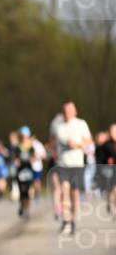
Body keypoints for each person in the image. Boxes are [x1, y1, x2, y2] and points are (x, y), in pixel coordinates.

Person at [50, 100, 92, 235]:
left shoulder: (81, 124)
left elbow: (89, 140)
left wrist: (79, 144)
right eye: (65, 111)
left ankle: (73, 219)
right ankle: (66, 220)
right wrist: (55, 152)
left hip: (77, 164)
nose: (67, 113)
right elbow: (57, 140)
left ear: (75, 111)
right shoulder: (59, 127)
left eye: (70, 111)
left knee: (75, 193)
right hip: (63, 164)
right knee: (64, 190)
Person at [14, 126, 37, 220]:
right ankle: (21, 206)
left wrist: (32, 159)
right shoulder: (17, 147)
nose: (24, 137)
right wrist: (17, 161)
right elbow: (15, 158)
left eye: (26, 135)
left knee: (27, 191)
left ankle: (27, 209)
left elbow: (34, 157)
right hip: (20, 172)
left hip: (28, 171)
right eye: (23, 135)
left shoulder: (31, 147)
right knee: (21, 191)